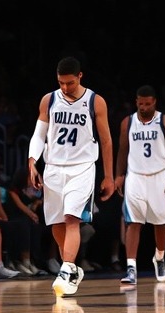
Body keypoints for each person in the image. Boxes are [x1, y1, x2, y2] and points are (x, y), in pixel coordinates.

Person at [27, 56, 115, 297]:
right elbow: (38, 135)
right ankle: (72, 266)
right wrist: (32, 161)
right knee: (56, 223)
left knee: (71, 218)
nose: (65, 88)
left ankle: (66, 270)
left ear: (80, 76)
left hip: (83, 167)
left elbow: (106, 141)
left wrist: (109, 176)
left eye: (70, 83)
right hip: (54, 167)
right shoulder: (49, 100)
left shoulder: (95, 101)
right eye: (61, 83)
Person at [115, 85, 165, 285]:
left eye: (147, 103)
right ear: (136, 102)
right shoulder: (128, 122)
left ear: (154, 102)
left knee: (161, 222)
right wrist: (119, 175)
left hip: (160, 175)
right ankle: (131, 268)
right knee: (133, 222)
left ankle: (159, 257)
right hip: (135, 176)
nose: (143, 107)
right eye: (140, 103)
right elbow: (122, 150)